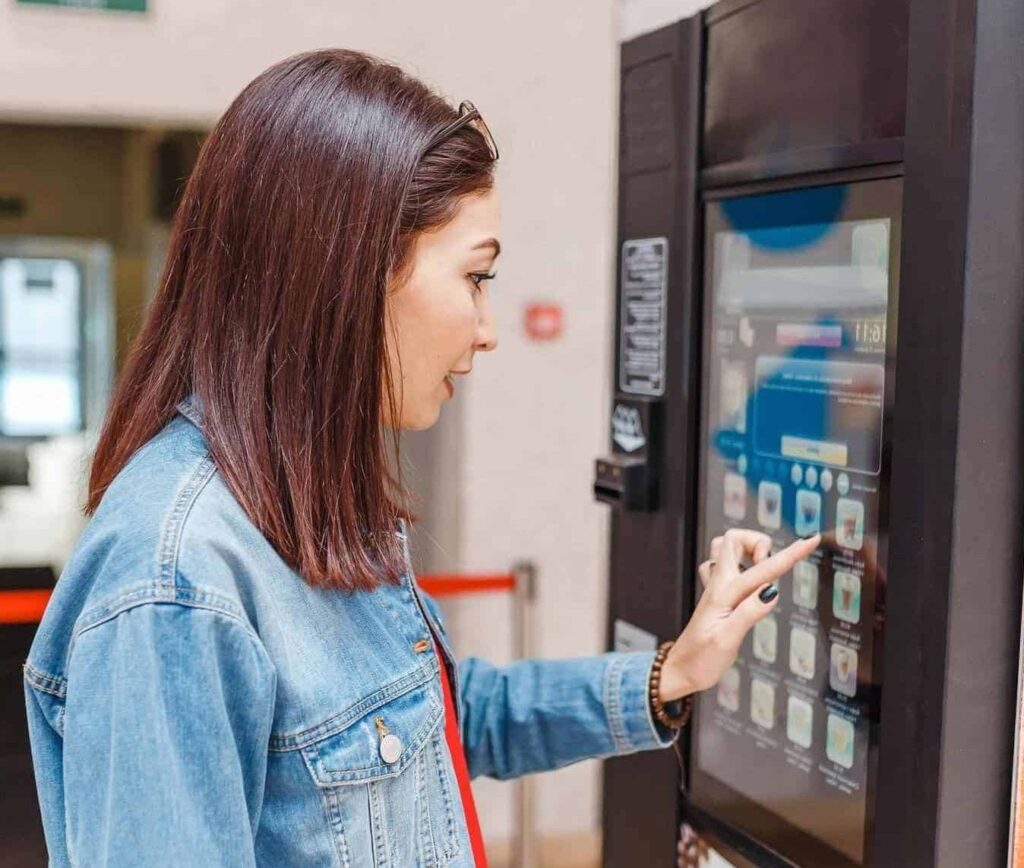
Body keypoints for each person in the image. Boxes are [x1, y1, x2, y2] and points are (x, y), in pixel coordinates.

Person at [22, 49, 819, 867]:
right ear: (349, 272)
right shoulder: (175, 583)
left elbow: (433, 723)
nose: (488, 328)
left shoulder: (304, 497)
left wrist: (670, 673)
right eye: (476, 277)